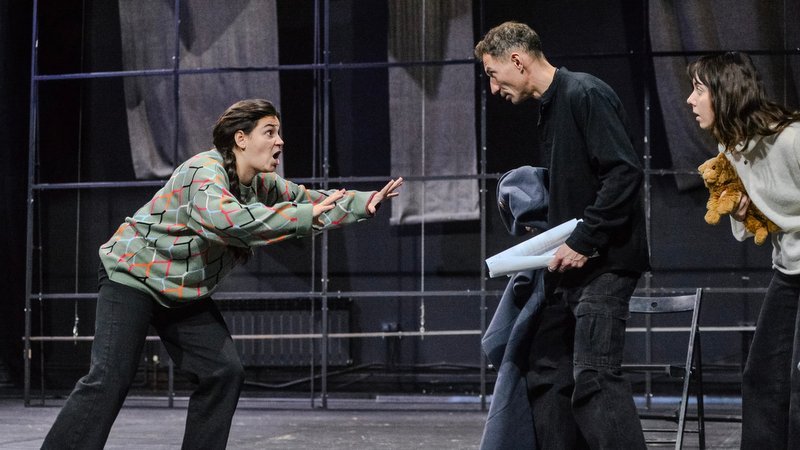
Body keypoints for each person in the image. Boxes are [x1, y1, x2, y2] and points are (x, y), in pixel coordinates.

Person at [41, 98, 404, 450]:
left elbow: (308, 201)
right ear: (241, 139)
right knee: (110, 378)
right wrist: (303, 216)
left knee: (223, 372)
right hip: (134, 275)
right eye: (270, 132)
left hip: (181, 290)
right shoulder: (203, 172)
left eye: (278, 133)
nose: (279, 141)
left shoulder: (262, 184)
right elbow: (228, 221)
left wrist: (363, 202)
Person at [475, 22, 650, 449]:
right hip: (570, 267)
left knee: (595, 377)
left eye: (493, 74)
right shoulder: (551, 109)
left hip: (605, 264)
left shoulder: (583, 93)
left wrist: (584, 239)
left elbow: (623, 173)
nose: (493, 88)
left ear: (517, 60)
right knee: (547, 371)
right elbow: (579, 182)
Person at [686, 51, 800, 449]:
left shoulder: (791, 138)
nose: (690, 100)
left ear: (724, 92)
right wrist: (740, 211)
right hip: (789, 271)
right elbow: (757, 226)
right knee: (763, 375)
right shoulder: (732, 150)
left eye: (698, 89)